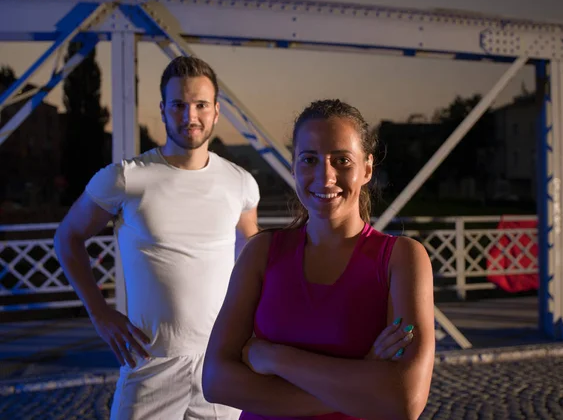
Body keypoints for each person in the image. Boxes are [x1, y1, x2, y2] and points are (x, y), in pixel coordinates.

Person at [54, 56, 260, 420]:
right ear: (163, 110)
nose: (189, 116)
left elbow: (251, 252)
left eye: (200, 105)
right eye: (179, 105)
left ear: (216, 111)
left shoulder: (241, 182)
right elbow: (67, 237)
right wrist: (100, 313)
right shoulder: (126, 178)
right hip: (150, 364)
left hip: (220, 361)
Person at [202, 99, 435, 420]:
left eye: (342, 160)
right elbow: (216, 382)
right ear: (294, 166)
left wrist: (275, 357)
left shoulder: (402, 258)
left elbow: (404, 401)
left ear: (367, 168)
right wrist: (362, 380)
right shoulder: (262, 252)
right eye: (309, 159)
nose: (325, 177)